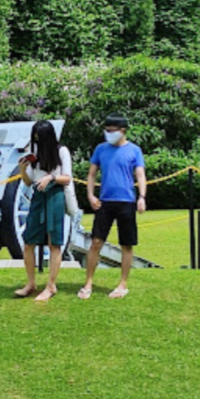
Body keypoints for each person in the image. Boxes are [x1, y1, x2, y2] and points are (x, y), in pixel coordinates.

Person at [79, 113, 146, 299]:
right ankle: (88, 283)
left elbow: (140, 175)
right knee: (96, 242)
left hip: (126, 201)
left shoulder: (134, 150)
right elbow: (92, 174)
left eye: (111, 130)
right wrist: (91, 195)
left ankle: (123, 284)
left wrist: (142, 196)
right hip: (105, 202)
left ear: (122, 130)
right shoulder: (101, 149)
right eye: (106, 130)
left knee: (126, 244)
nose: (108, 133)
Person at [13, 121, 73, 302]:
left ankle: (50, 286)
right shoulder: (35, 153)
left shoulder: (61, 151)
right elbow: (28, 181)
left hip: (55, 195)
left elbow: (67, 178)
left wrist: (51, 177)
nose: (37, 142)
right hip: (38, 197)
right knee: (29, 241)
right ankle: (31, 283)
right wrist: (23, 170)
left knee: (54, 242)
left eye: (39, 139)